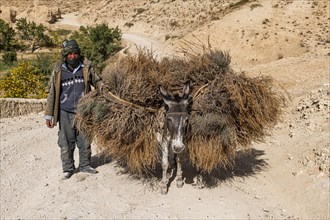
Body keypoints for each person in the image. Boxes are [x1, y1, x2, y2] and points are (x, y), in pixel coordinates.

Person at [44, 39, 108, 180]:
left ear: (79, 53)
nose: (72, 56)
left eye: (75, 53)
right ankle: (68, 169)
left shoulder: (86, 68)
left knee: (84, 140)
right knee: (65, 141)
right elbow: (52, 93)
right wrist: (49, 115)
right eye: (69, 54)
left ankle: (85, 165)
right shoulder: (58, 70)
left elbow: (97, 81)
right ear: (65, 55)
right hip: (65, 112)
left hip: (84, 111)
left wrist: (102, 86)